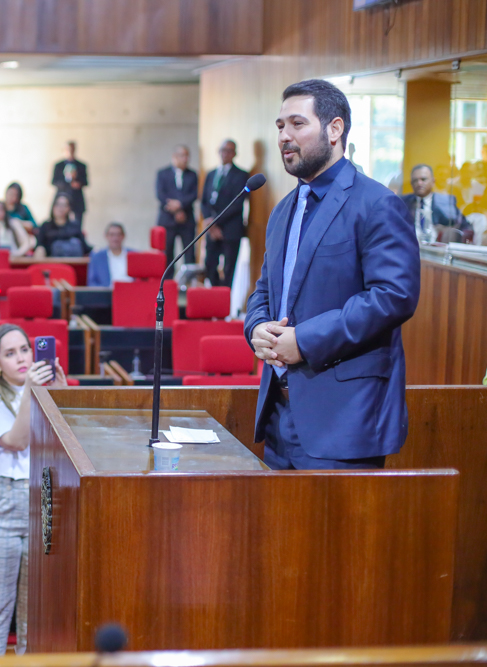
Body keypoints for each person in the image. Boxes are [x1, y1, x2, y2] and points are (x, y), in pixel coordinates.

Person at [245, 78, 420, 470]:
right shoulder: (283, 209)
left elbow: (393, 297)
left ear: (335, 129)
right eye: (279, 126)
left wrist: (304, 341)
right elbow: (266, 290)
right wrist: (255, 328)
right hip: (278, 415)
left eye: (297, 124)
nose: (284, 137)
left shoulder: (376, 204)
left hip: (345, 422)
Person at [0, 323, 67, 656]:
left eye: (25, 349)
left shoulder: (44, 388)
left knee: (34, 617)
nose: (22, 358)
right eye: (10, 353)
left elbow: (69, 443)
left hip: (45, 504)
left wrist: (61, 392)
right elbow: (18, 440)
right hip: (0, 507)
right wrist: (31, 391)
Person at [200, 140, 250, 288]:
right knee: (209, 263)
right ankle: (215, 295)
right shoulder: (211, 174)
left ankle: (225, 300)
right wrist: (210, 221)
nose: (225, 153)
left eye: (229, 151)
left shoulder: (241, 175)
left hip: (230, 228)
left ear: (234, 154)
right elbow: (204, 201)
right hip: (212, 228)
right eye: (223, 150)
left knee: (228, 268)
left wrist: (215, 222)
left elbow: (237, 204)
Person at [400, 164, 472, 243]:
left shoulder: (446, 201)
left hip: (438, 248)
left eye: (423, 179)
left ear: (433, 181)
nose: (419, 183)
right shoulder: (403, 202)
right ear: (411, 183)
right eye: (415, 180)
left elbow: (465, 227)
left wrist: (450, 233)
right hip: (411, 246)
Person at [156, 145, 199, 270]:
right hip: (168, 220)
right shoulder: (163, 173)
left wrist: (180, 205)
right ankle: (167, 283)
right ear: (174, 156)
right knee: (167, 253)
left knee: (189, 253)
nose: (185, 159)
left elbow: (194, 194)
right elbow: (160, 194)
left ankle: (189, 283)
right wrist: (175, 209)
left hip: (187, 219)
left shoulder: (192, 175)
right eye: (182, 155)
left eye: (187, 156)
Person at [34, 193, 90, 258]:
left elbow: (85, 248)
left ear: (69, 208)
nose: (61, 208)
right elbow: (39, 245)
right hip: (50, 263)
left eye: (64, 205)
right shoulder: (45, 226)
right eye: (58, 204)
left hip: (72, 262)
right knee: (39, 250)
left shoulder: (74, 227)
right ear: (53, 206)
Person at [87, 222, 135, 287]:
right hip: (108, 294)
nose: (115, 238)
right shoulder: (97, 257)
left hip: (131, 291)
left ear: (123, 236)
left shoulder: (134, 255)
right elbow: (92, 283)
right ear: (106, 236)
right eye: (112, 235)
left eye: (118, 235)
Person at [51, 141, 88, 224]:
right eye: (68, 149)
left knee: (77, 224)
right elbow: (54, 182)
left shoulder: (81, 165)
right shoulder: (58, 165)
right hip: (62, 197)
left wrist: (77, 182)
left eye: (72, 150)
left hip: (77, 200)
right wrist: (68, 183)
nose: (70, 152)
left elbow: (85, 182)